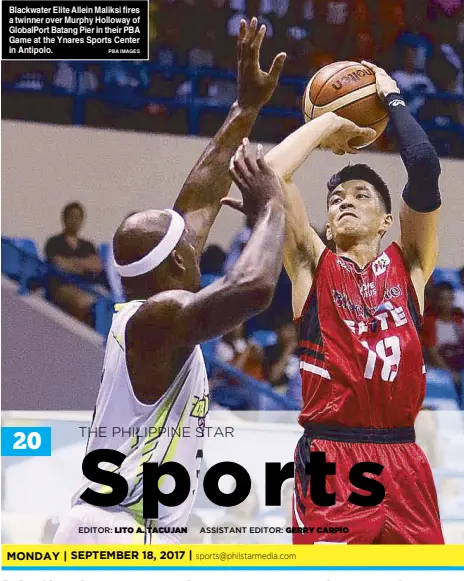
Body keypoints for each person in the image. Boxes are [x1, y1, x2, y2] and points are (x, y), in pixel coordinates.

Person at [53, 17, 287, 545]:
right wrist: (272, 210)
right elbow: (253, 289)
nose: (197, 240)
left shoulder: (151, 301)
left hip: (130, 528)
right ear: (173, 266)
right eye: (187, 245)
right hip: (110, 532)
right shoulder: (158, 319)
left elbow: (201, 197)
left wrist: (245, 105)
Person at [265, 61, 445, 543]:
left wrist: (391, 98)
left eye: (361, 195)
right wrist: (328, 122)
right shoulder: (311, 265)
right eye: (336, 198)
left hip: (405, 462)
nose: (344, 201)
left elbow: (425, 167)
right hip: (332, 457)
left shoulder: (410, 267)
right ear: (325, 223)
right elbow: (270, 175)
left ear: (387, 220)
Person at [45, 202, 104, 325]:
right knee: (83, 303)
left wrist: (71, 262)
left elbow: (96, 266)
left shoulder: (88, 245)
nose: (75, 220)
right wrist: (83, 264)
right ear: (64, 218)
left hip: (86, 287)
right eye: (71, 216)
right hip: (61, 286)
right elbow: (59, 264)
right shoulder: (54, 242)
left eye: (78, 217)